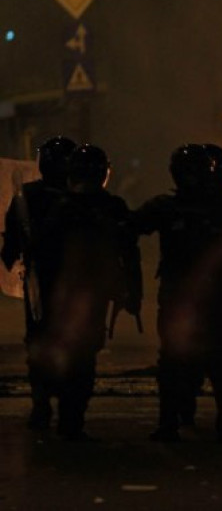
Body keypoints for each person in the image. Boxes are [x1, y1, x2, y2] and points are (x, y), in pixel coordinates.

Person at [134, 144, 222, 442]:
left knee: (201, 358)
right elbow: (127, 229)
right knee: (195, 358)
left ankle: (192, 418)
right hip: (199, 298)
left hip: (204, 297)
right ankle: (189, 417)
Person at [29, 144, 141, 440]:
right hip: (83, 293)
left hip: (66, 293)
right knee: (80, 358)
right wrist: (132, 289)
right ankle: (67, 417)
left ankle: (53, 410)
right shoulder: (107, 207)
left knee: (58, 350)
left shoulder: (61, 206)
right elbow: (129, 252)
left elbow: (38, 247)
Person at [1, 135, 77, 430]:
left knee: (40, 341)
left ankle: (43, 404)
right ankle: (61, 408)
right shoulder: (77, 197)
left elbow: (11, 242)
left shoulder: (29, 196)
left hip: (43, 278)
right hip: (58, 279)